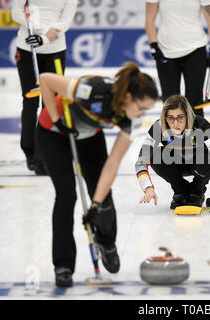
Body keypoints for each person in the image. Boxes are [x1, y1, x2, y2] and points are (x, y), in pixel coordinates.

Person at [36, 62, 158, 287]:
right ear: (128, 97)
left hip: (89, 136)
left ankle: (107, 242)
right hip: (54, 133)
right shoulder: (91, 91)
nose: (142, 115)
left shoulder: (132, 119)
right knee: (66, 195)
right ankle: (63, 265)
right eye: (141, 108)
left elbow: (112, 165)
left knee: (102, 197)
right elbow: (45, 78)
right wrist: (57, 121)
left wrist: (95, 206)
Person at [11, 0, 78, 175]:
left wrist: (45, 37)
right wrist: (39, 29)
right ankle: (31, 153)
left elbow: (66, 20)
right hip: (27, 48)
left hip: (55, 49)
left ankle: (46, 155)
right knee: (30, 101)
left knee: (51, 104)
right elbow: (16, 12)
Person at [136, 94, 210, 212]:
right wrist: (148, 187)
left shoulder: (201, 125)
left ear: (188, 116)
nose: (175, 124)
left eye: (180, 117)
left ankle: (197, 191)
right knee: (155, 156)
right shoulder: (158, 127)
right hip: (176, 164)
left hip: (201, 165)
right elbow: (141, 162)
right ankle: (180, 190)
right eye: (170, 118)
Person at [145, 0, 210, 118]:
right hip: (165, 51)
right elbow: (149, 19)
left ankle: (197, 136)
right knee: (170, 103)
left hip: (196, 48)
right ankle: (173, 136)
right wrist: (153, 45)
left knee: (195, 102)